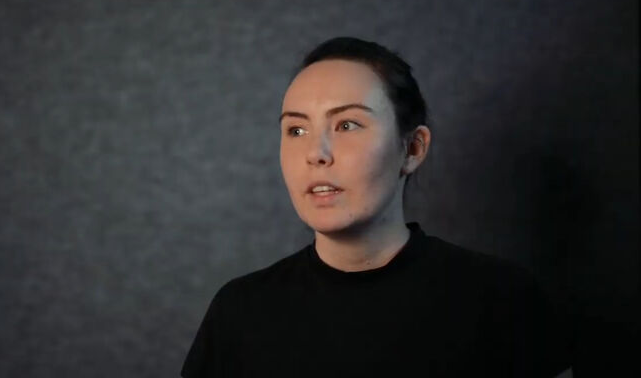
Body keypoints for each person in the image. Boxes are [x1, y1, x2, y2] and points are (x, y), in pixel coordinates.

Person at [182, 37, 571, 377]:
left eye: (347, 125)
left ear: (413, 148)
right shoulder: (240, 313)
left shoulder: (503, 298)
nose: (316, 153)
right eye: (296, 130)